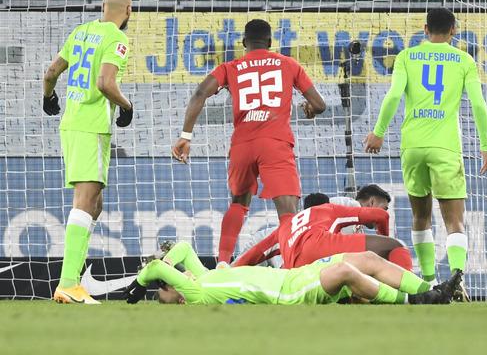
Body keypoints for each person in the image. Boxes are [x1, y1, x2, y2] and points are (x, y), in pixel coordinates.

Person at [171, 19, 326, 267]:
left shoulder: (231, 67)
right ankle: (294, 267)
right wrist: (309, 107)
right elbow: (320, 105)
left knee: (238, 203)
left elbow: (199, 93)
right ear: (270, 42)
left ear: (244, 43)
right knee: (288, 209)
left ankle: (222, 263)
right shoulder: (288, 64)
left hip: (242, 145)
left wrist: (186, 136)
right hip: (275, 143)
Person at [365, 8, 487, 299]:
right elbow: (479, 104)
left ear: (424, 28)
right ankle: (457, 279)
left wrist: (379, 132)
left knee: (421, 217)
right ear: (454, 30)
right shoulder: (464, 60)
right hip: (445, 147)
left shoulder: (407, 57)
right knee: (454, 220)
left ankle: (430, 282)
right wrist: (484, 145)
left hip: (413, 146)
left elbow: (394, 95)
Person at [43, 0, 135, 304]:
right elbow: (105, 83)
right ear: (129, 10)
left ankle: (74, 280)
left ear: (103, 6)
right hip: (92, 127)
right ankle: (68, 282)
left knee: (95, 205)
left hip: (71, 123)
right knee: (85, 201)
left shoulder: (81, 31)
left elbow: (52, 72)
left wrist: (48, 96)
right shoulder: (118, 39)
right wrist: (127, 106)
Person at [123, 241, 459, 305]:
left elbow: (181, 247)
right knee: (344, 270)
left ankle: (433, 288)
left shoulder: (204, 276)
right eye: (165, 286)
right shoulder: (197, 296)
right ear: (178, 297)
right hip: (289, 295)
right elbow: (154, 267)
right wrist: (138, 288)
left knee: (368, 258)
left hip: (293, 273)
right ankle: (414, 301)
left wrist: (167, 261)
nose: (168, 280)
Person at [233, 192, 413, 272]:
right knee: (393, 248)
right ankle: (414, 291)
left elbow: (251, 255)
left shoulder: (284, 227)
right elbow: (382, 216)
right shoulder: (330, 210)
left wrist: (226, 271)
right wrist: (384, 245)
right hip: (325, 254)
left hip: (295, 276)